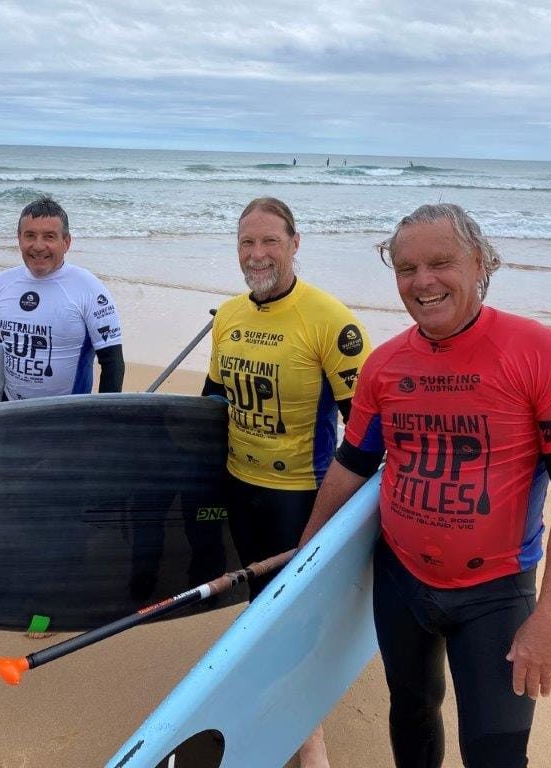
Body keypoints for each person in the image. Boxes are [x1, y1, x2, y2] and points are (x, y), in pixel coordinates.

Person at [298, 203, 551, 768]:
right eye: (406, 268)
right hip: (401, 580)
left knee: (496, 752)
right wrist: (307, 555)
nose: (423, 282)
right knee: (411, 710)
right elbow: (351, 465)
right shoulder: (385, 365)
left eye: (440, 263)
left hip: (496, 593)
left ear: (480, 262)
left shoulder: (545, 356)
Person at [203, 197, 371, 768]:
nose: (257, 254)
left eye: (270, 241)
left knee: (294, 614)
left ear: (295, 244)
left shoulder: (331, 321)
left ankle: (308, 735)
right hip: (240, 488)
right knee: (260, 604)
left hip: (302, 493)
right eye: (247, 243)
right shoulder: (229, 316)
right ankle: (274, 697)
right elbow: (213, 405)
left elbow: (366, 430)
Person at [0, 196, 124, 400]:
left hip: (64, 412)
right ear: (19, 239)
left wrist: (105, 414)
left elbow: (112, 362)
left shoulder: (89, 288)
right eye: (30, 236)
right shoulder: (3, 283)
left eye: (49, 237)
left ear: (66, 242)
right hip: (8, 407)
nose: (38, 246)